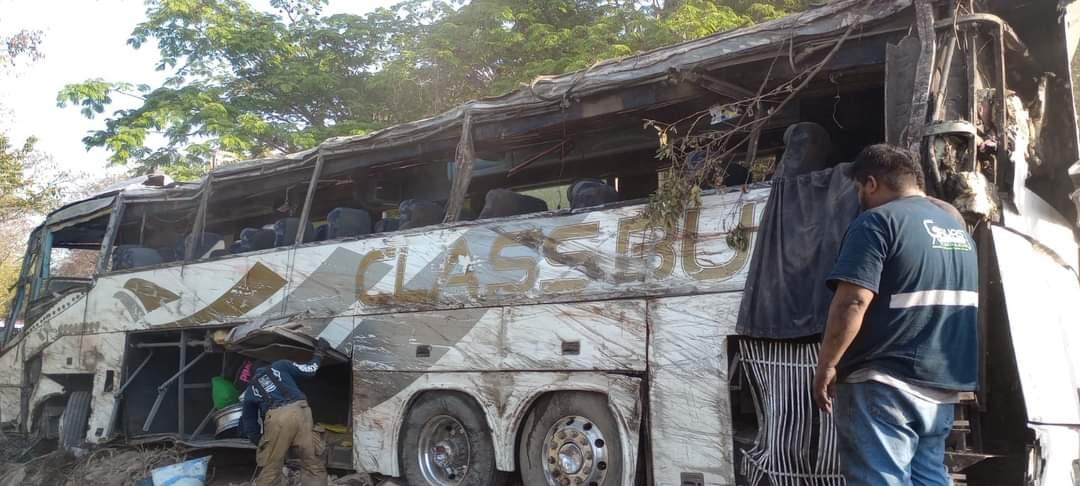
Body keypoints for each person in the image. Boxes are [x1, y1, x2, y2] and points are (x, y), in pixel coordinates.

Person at [812, 144, 978, 486]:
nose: (859, 196)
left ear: (871, 183)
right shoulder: (957, 230)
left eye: (859, 188)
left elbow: (853, 302)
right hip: (941, 384)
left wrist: (828, 364)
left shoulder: (876, 222)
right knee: (928, 478)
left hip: (885, 381)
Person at [240, 338, 332, 486]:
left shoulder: (250, 390)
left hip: (279, 416)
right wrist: (320, 352)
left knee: (271, 466)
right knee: (311, 462)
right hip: (303, 410)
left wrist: (261, 443)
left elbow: (249, 423)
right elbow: (310, 370)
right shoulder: (280, 365)